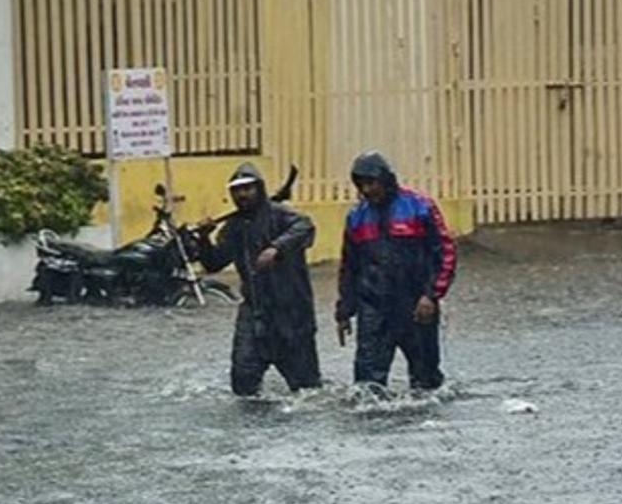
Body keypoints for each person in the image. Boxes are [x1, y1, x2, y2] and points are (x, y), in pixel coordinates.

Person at [335, 151, 457, 390]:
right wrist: (344, 310)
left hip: (415, 303)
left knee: (426, 381)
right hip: (373, 306)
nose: (368, 190)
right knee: (366, 386)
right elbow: (350, 266)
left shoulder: (419, 207)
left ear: (386, 179)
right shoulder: (356, 216)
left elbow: (444, 252)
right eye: (362, 185)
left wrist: (431, 295)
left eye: (372, 183)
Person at [196, 163, 321, 396]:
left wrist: (276, 248)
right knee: (243, 382)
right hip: (255, 313)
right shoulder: (232, 227)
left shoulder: (282, 215)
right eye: (236, 190)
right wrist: (204, 239)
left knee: (306, 388)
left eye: (248, 188)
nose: (242, 195)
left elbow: (305, 226)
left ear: (259, 189)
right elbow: (213, 263)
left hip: (292, 313)